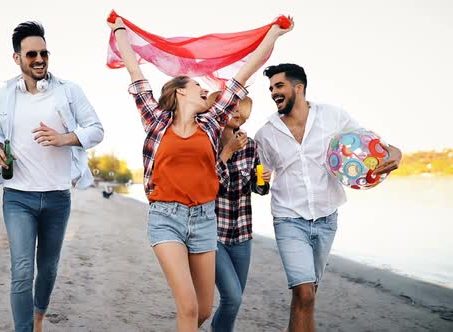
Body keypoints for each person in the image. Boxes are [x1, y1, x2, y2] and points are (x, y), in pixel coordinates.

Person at [108, 16, 293, 332]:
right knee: (189, 306)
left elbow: (242, 75)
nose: (204, 89)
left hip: (205, 221)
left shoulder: (211, 126)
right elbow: (135, 72)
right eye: (197, 85)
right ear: (180, 92)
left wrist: (274, 33)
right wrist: (119, 31)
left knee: (204, 309)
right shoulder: (155, 120)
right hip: (166, 218)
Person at [254, 63, 402, 332]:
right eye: (271, 88)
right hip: (289, 219)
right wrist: (259, 182)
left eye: (279, 86)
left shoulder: (333, 116)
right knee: (305, 293)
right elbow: (261, 183)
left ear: (298, 88)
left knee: (307, 292)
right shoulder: (265, 134)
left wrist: (396, 152)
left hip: (326, 217)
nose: (273, 92)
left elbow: (371, 142)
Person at [0, 21, 104, 332]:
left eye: (44, 53)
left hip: (56, 196)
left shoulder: (69, 91)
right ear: (17, 58)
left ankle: (39, 317)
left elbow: (96, 130)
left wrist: (64, 138)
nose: (39, 59)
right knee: (22, 270)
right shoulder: (3, 94)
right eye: (31, 55)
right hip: (17, 197)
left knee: (48, 268)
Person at [208, 94, 271, 332]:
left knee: (233, 301)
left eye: (239, 110)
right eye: (230, 108)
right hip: (213, 235)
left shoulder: (252, 145)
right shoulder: (207, 143)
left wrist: (263, 181)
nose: (236, 113)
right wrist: (227, 151)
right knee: (232, 297)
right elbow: (208, 185)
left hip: (242, 236)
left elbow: (259, 189)